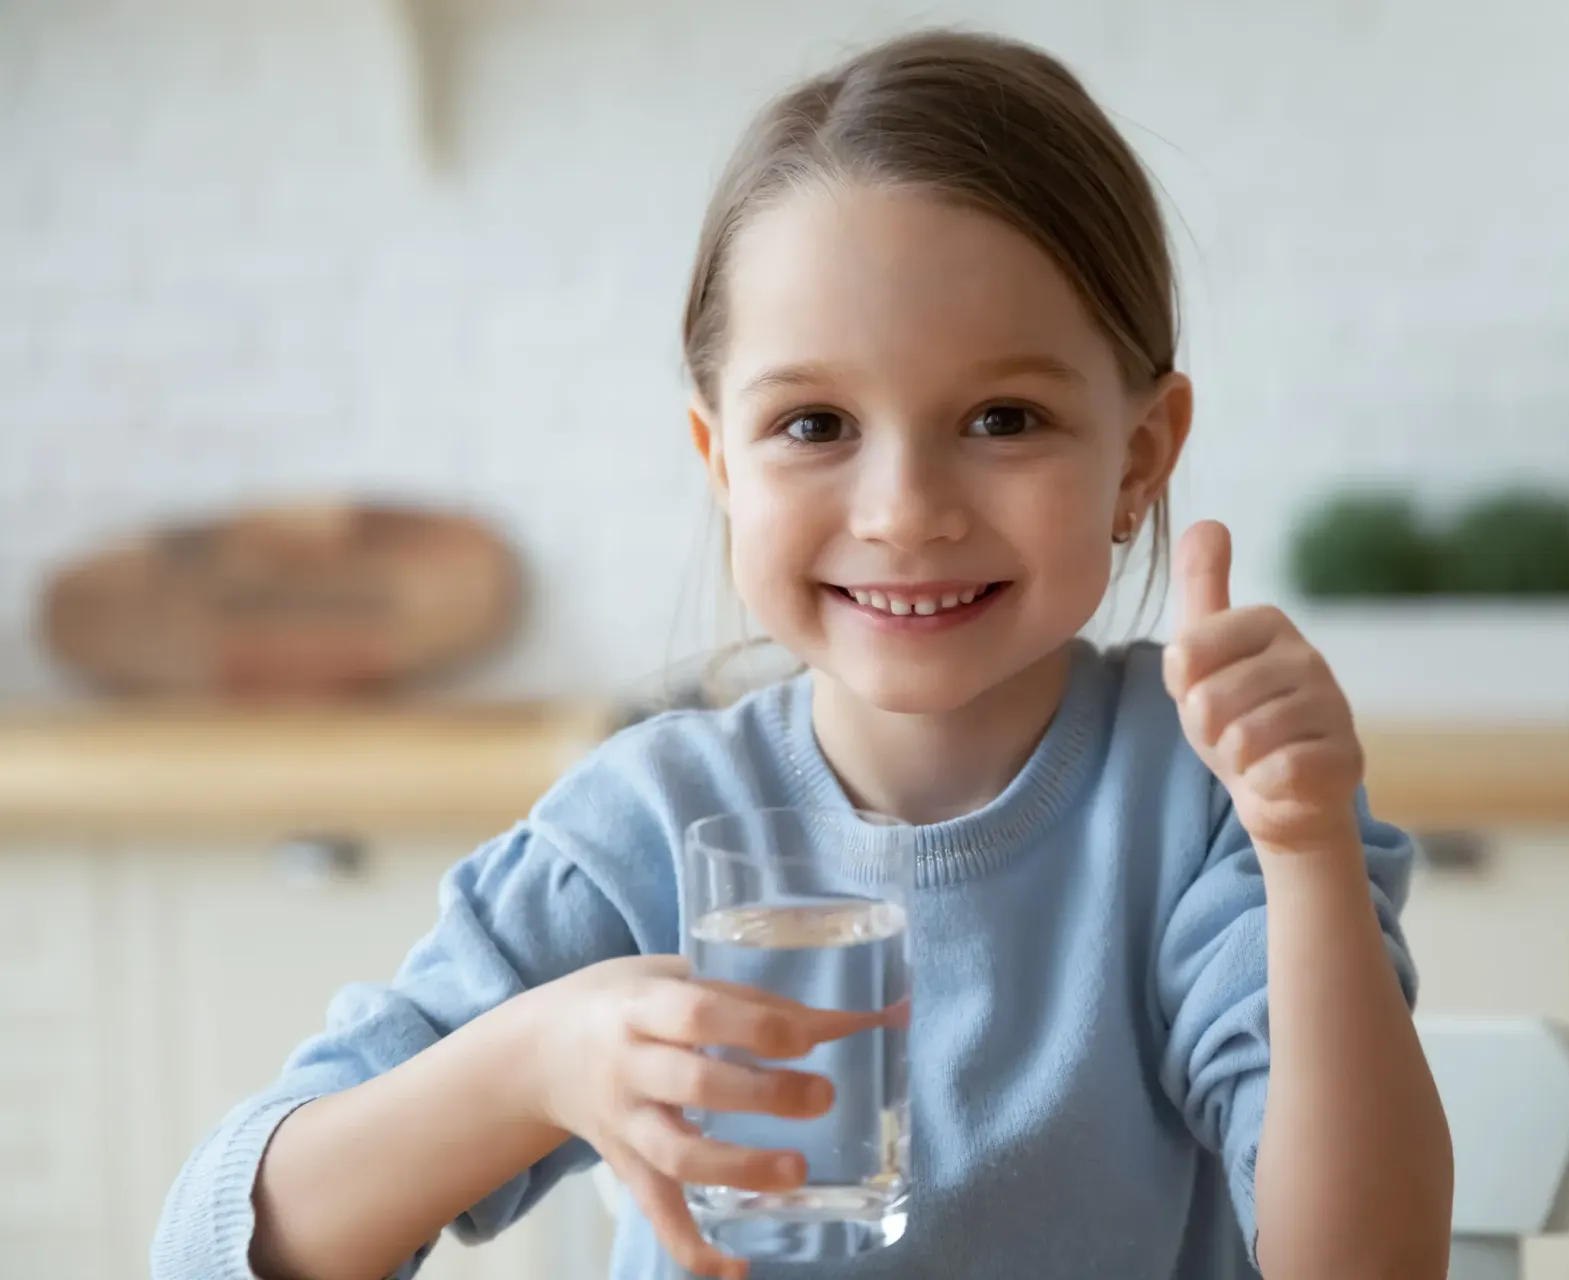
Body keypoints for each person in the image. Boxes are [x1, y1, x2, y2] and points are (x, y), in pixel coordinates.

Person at [152, 28, 1452, 1280]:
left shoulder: (1211, 815)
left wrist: (1306, 853)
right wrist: (532, 1062)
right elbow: (216, 1249)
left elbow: (1367, 1264)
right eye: (816, 422)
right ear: (721, 464)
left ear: (1141, 459)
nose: (903, 510)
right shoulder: (641, 832)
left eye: (1004, 417)